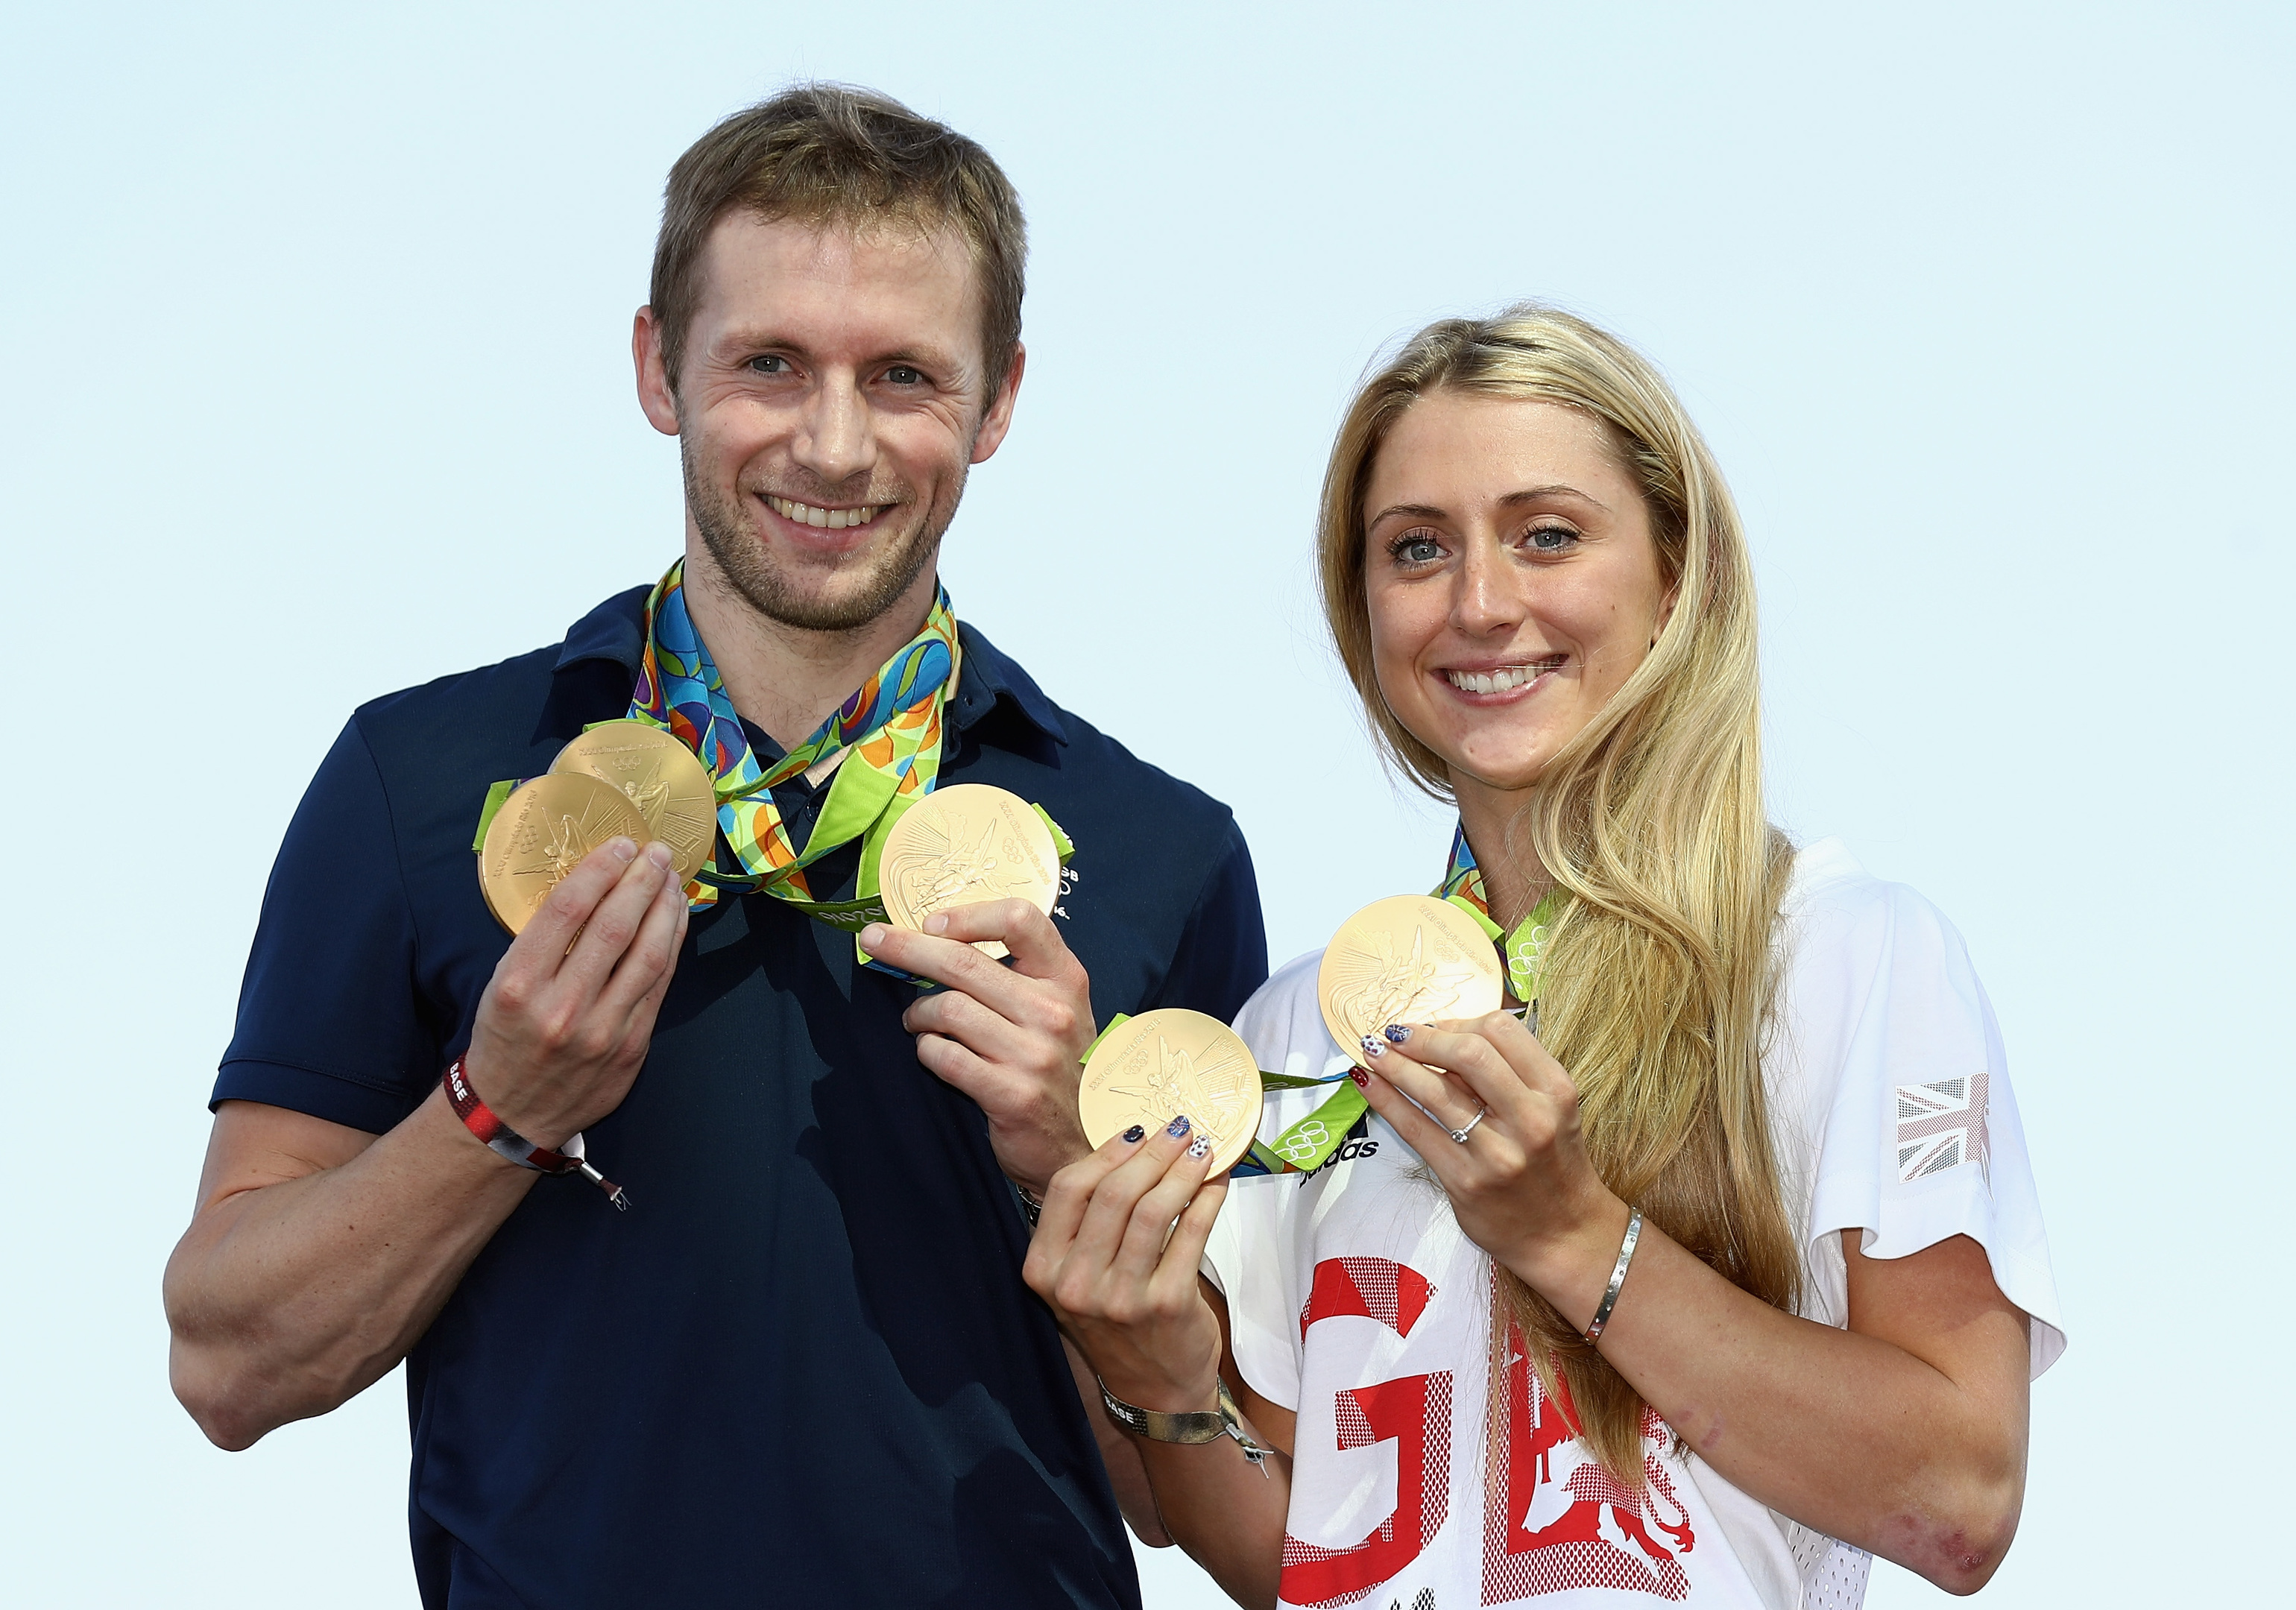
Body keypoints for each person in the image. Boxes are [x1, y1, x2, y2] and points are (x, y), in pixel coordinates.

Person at [162, 84, 1267, 1608]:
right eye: (770, 364)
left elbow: (1200, 1494)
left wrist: (1069, 1174)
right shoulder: (418, 783)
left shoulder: (1166, 854)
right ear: (657, 366)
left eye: (902, 377)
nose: (832, 443)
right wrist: (501, 1111)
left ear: (999, 400)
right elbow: (227, 1363)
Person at [1025, 307, 2063, 1609]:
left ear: (1675, 577)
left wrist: (1573, 1236)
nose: (1481, 603)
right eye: (1417, 549)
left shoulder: (1847, 955)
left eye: (1548, 536)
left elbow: (1962, 1505)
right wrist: (1169, 1390)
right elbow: (1298, 1553)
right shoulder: (1295, 1037)